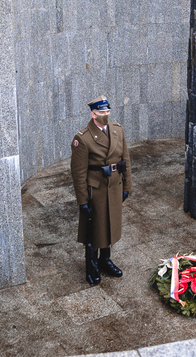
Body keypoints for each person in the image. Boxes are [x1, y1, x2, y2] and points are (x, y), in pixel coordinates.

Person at [71, 96, 132, 284]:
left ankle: (105, 259)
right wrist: (82, 201)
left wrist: (127, 185)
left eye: (107, 112)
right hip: (95, 190)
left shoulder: (117, 130)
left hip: (114, 185)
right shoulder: (82, 138)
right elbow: (78, 173)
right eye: (101, 113)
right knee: (95, 230)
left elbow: (125, 160)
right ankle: (92, 266)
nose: (105, 115)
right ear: (93, 114)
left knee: (110, 225)